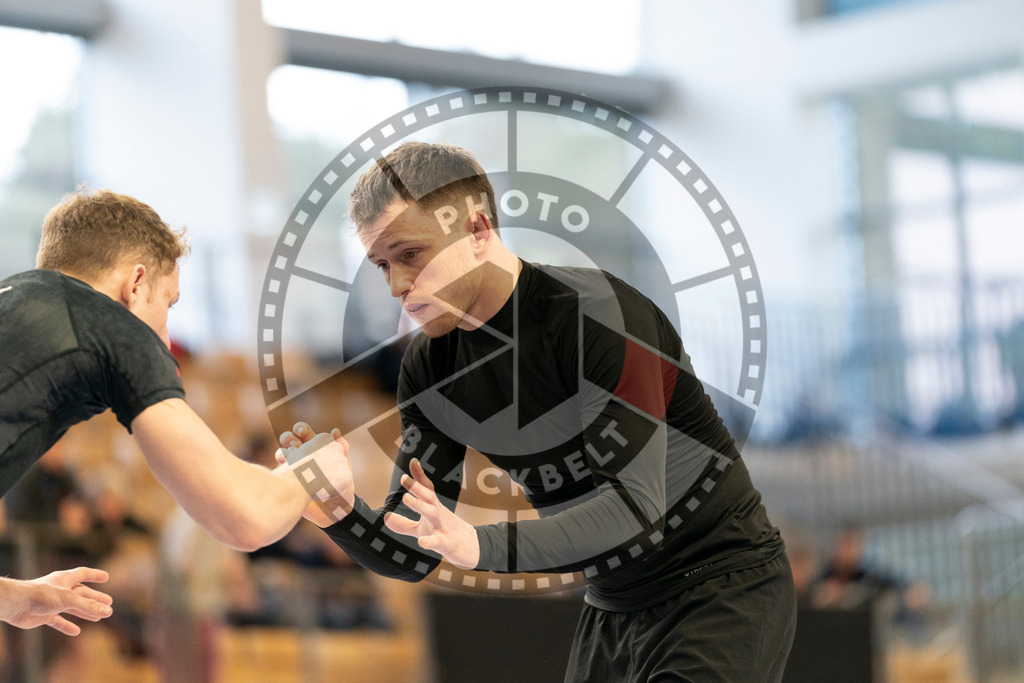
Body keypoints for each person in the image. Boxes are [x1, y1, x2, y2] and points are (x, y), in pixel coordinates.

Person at [280, 142, 796, 681]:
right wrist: (337, 509)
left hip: (720, 585)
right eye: (383, 265)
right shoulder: (429, 369)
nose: (397, 286)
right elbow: (413, 548)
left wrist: (478, 545)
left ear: (478, 230)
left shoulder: (597, 316)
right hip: (612, 605)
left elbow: (636, 512)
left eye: (410, 255)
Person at [0, 189, 350, 637]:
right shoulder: (113, 328)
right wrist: (312, 471)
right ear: (136, 284)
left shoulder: (15, 299)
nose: (164, 340)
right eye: (168, 304)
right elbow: (245, 517)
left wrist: (11, 598)